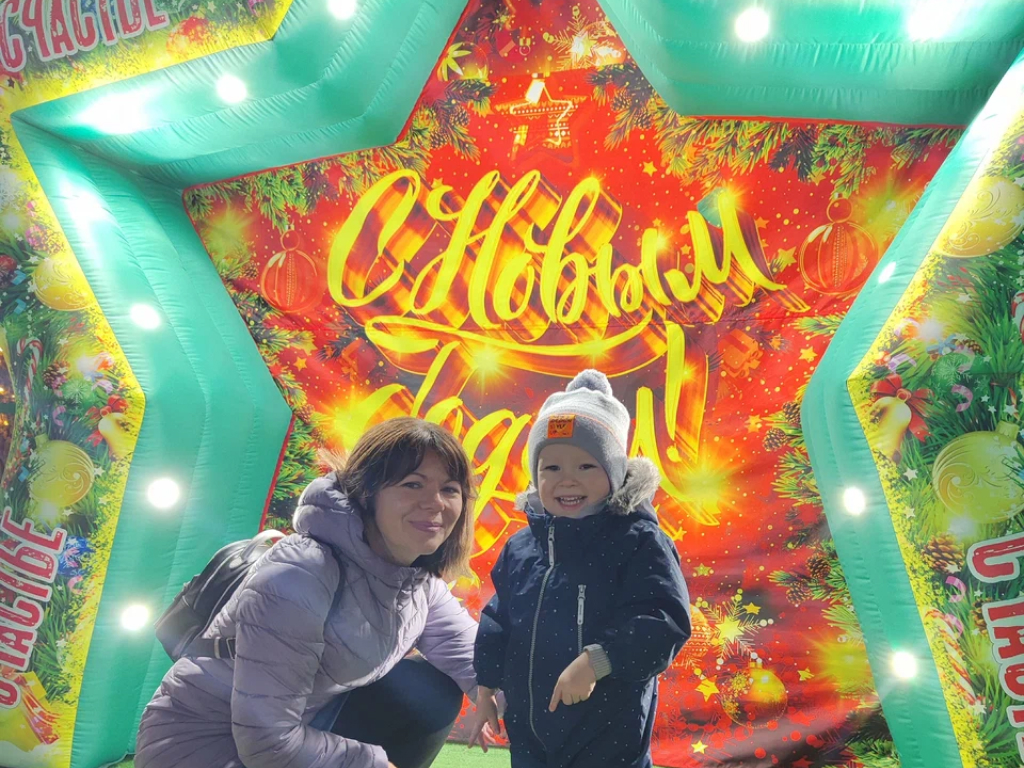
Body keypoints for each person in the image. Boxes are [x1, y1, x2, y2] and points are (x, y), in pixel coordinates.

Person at [136, 417, 484, 768]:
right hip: (203, 748)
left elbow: (473, 653)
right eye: (413, 484)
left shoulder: (413, 580)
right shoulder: (299, 575)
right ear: (368, 492)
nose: (435, 503)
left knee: (427, 691)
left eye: (449, 489)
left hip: (294, 726)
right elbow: (267, 742)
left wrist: (498, 694)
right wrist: (374, 764)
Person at [469, 370, 692, 767]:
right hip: (530, 727)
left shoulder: (639, 541)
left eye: (586, 467)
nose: (567, 480)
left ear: (614, 472)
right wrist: (486, 686)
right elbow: (498, 619)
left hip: (608, 731)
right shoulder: (521, 547)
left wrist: (597, 661)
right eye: (552, 468)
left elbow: (663, 620)